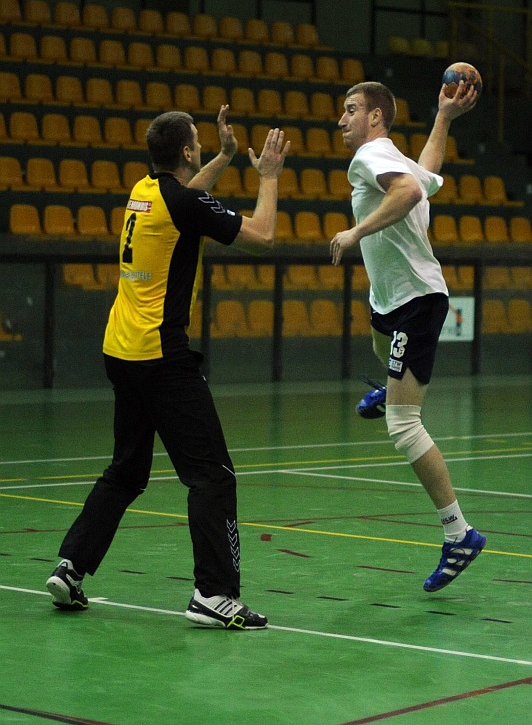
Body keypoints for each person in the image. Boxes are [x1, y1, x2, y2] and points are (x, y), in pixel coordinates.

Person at [46, 106, 290, 629]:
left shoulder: (144, 191)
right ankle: (214, 595)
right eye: (200, 141)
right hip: (161, 356)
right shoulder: (179, 200)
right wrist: (267, 177)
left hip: (121, 349)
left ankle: (71, 568)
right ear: (185, 150)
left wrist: (225, 155)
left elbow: (190, 200)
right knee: (213, 475)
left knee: (127, 470)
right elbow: (264, 234)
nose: (202, 145)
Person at [330, 81, 486, 592]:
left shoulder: (370, 156)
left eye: (351, 110)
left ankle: (458, 533)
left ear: (376, 117)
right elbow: (429, 175)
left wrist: (356, 232)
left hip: (417, 300)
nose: (342, 120)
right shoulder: (392, 155)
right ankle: (385, 383)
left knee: (403, 423)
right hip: (392, 301)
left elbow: (411, 191)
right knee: (378, 333)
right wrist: (443, 116)